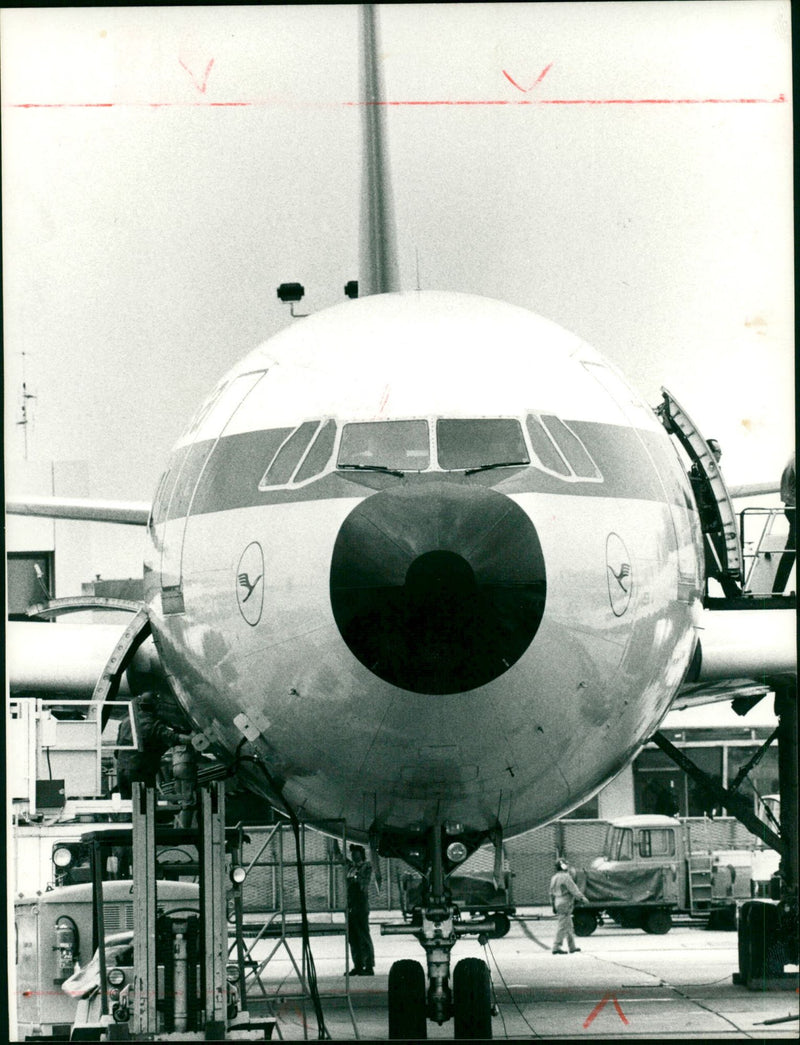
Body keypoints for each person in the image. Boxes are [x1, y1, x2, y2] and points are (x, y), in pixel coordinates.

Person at [333, 841, 375, 975]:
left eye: (356, 853)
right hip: (350, 904)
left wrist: (355, 877)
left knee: (363, 934)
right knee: (352, 937)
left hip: (361, 904)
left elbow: (363, 883)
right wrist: (334, 840)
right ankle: (358, 965)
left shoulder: (366, 866)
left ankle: (368, 966)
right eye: (352, 853)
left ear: (361, 854)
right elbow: (338, 856)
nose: (354, 855)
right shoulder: (350, 866)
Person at [549, 858, 588, 955]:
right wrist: (582, 898)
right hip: (565, 902)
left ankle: (572, 947)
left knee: (569, 926)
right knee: (562, 926)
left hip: (558, 902)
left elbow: (551, 893)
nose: (568, 866)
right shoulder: (566, 877)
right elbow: (573, 889)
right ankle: (556, 946)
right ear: (563, 866)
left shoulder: (554, 877)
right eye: (566, 864)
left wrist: (553, 905)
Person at [772, 452, 796, 594]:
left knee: (791, 550)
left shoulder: (792, 458)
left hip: (791, 506)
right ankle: (777, 590)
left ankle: (777, 590)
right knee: (791, 550)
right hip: (795, 507)